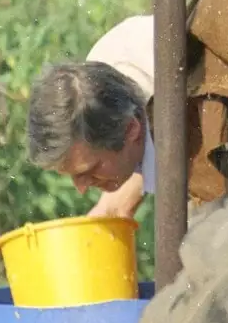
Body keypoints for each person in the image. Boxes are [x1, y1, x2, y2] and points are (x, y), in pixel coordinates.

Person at [27, 15, 156, 219]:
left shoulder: (193, 119)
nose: (81, 189)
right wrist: (110, 209)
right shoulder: (95, 78)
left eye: (91, 169)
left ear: (131, 129)